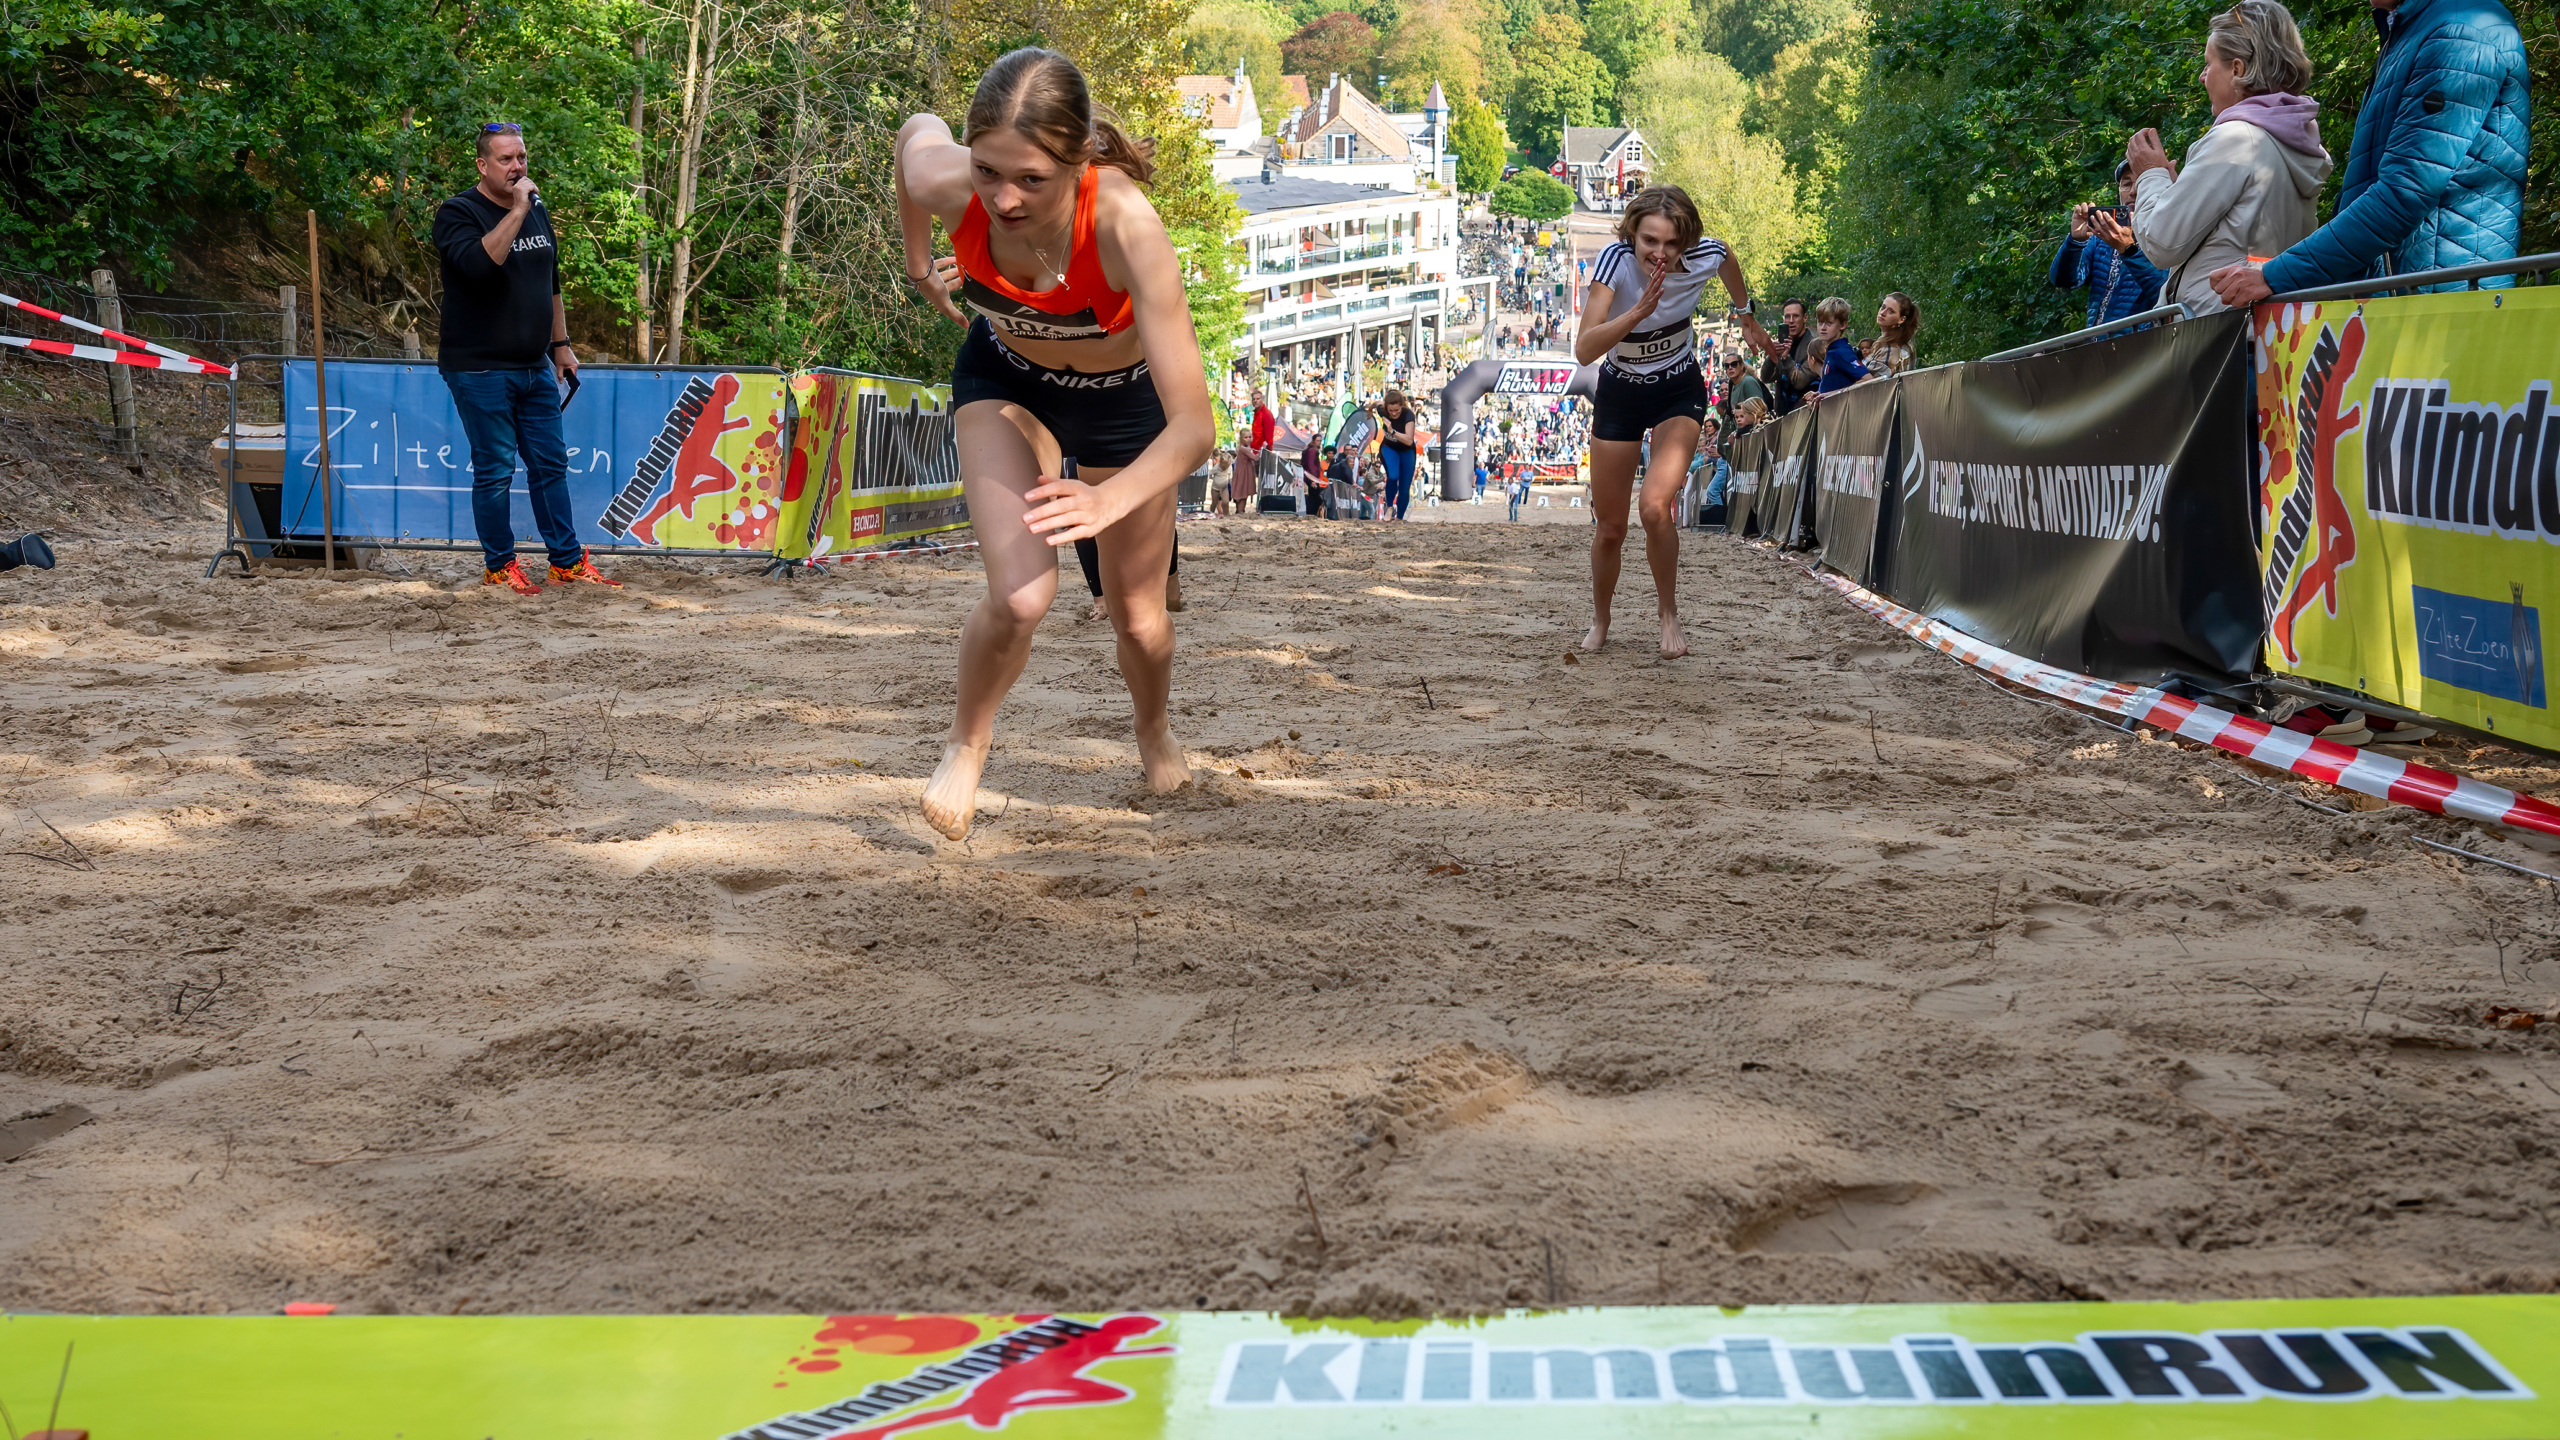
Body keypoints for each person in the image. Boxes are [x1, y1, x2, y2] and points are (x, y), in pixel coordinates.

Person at [896, 47, 1211, 840]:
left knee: (1137, 619)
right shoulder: (952, 183)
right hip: (1010, 383)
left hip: (1124, 407)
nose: (1003, 199)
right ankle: (967, 747)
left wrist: (1109, 497)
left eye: (1031, 179)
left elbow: (1197, 428)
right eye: (988, 171)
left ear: (1077, 162)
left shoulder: (1126, 225)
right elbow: (912, 140)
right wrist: (917, 264)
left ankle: (1152, 731)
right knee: (1022, 596)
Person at [1572, 184, 1782, 658]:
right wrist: (1638, 313)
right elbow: (1584, 350)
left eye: (1671, 243)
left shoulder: (1703, 254)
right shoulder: (1615, 262)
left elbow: (1726, 256)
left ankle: (1668, 615)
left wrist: (1745, 315)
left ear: (1686, 241)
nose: (1660, 254)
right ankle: (1601, 619)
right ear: (1632, 235)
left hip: (1677, 388)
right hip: (1620, 390)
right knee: (1610, 527)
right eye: (1650, 241)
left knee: (1653, 507)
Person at [2208, 0, 2527, 306]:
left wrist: (2279, 274)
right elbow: (2375, 184)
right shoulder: (2410, 31)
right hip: (2406, 292)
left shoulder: (2461, 31)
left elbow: (2405, 192)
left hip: (2441, 297)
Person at [432, 122, 620, 596]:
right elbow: (480, 264)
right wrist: (517, 209)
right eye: (505, 159)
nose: (517, 167)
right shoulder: (458, 212)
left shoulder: (537, 209)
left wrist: (561, 344)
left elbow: (549, 281)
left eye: (521, 158)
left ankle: (566, 561)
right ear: (482, 165)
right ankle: (499, 565)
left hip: (534, 363)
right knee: (495, 469)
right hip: (478, 367)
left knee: (550, 465)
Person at [2125, 2, 2334, 317]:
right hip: (2269, 330)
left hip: (2217, 333)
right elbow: (2237, 235)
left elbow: (2161, 244)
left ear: (2237, 70)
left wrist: (2150, 175)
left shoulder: (2236, 139)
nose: (2201, 77)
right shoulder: (2294, 143)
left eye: (2209, 64)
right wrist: (2177, 192)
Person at [2050, 163, 2168, 329]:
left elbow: (2166, 293)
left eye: (2141, 182)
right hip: (2098, 345)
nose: (2133, 191)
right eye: (2126, 184)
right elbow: (2064, 280)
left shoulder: (2168, 235)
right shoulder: (2102, 237)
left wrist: (2129, 249)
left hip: (2143, 347)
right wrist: (2076, 241)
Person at [1760, 299, 1819, 416]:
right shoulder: (1783, 343)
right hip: (1783, 413)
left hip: (1805, 413)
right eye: (1787, 317)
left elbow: (1800, 381)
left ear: (1805, 318)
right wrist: (1772, 355)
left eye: (1796, 316)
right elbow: (1766, 378)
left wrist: (1786, 358)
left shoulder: (1814, 346)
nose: (1791, 321)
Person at [1807, 296, 1869, 398]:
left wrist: (1831, 394)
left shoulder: (1842, 352)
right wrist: (1820, 394)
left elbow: (1868, 380)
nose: (1823, 328)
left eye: (1829, 323)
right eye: (1820, 322)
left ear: (1843, 325)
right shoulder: (1832, 350)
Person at [1377, 388, 1420, 520]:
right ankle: (1389, 507)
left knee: (1404, 486)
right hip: (1389, 448)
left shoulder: (1408, 415)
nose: (1394, 413)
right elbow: (1376, 404)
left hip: (1407, 450)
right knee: (1393, 475)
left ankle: (1399, 518)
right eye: (1391, 411)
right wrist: (1368, 411)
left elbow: (1408, 440)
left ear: (1402, 405)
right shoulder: (1383, 410)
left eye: (1397, 410)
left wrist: (1392, 431)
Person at [1863, 293, 1921, 379]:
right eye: (1883, 307)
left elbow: (1866, 383)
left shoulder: (1890, 350)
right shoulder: (1905, 343)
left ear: (1901, 319)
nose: (1882, 313)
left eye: (1891, 311)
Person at [1717, 352, 1767, 431]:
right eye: (1726, 366)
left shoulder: (1748, 382)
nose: (1730, 368)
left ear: (1741, 366)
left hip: (1753, 434)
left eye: (1734, 364)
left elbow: (1759, 412)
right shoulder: (1732, 385)